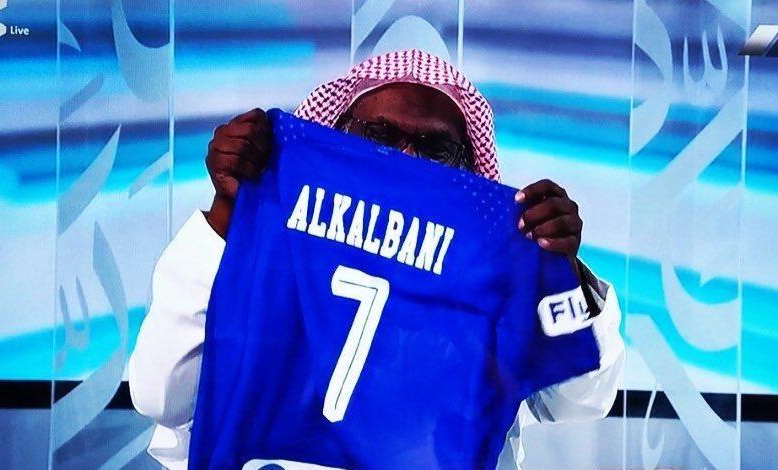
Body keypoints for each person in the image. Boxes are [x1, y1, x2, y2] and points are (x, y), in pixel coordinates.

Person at [128, 49, 624, 469]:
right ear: (336, 139)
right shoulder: (273, 260)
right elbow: (160, 394)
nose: (404, 160)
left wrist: (560, 273)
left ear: (468, 170)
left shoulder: (492, 279)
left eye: (434, 148)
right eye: (378, 137)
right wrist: (230, 214)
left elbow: (581, 400)